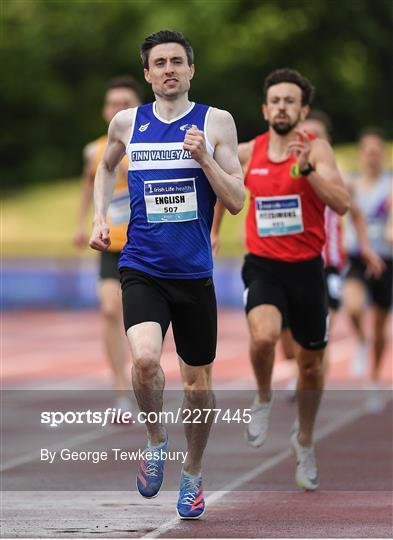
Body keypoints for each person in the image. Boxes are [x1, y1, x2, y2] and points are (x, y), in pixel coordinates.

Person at [89, 30, 244, 519]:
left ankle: (193, 474)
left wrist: (202, 159)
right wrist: (98, 217)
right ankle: (156, 439)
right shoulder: (127, 122)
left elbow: (237, 200)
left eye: (178, 61)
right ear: (148, 74)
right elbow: (104, 168)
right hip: (142, 267)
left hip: (194, 272)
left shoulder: (215, 122)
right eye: (160, 63)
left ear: (191, 70)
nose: (169, 69)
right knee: (145, 362)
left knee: (198, 387)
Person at [237, 68, 350, 491]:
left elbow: (341, 203)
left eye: (290, 101)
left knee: (310, 364)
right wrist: (212, 230)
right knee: (264, 336)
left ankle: (304, 440)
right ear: (265, 109)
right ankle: (264, 396)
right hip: (263, 264)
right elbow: (222, 188)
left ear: (302, 110)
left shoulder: (316, 150)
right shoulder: (250, 152)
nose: (282, 107)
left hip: (307, 269)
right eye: (275, 100)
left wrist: (309, 172)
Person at [281, 111, 384, 397]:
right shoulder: (287, 171)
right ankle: (301, 369)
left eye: (317, 136)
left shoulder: (338, 176)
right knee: (289, 346)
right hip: (290, 263)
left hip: (328, 265)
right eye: (306, 134)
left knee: (319, 332)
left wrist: (364, 246)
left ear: (326, 141)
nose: (310, 140)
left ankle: (311, 391)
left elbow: (357, 214)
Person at [73, 77, 143, 411]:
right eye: (113, 103)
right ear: (105, 110)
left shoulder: (150, 144)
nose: (119, 108)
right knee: (109, 310)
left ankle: (145, 376)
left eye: (126, 103)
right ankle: (119, 389)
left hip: (146, 245)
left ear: (138, 108)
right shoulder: (94, 150)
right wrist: (81, 222)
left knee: (142, 318)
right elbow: (89, 186)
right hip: (110, 244)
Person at [343, 129, 392, 410]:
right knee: (353, 307)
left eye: (377, 152)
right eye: (368, 152)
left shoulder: (389, 184)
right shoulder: (352, 184)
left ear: (382, 155)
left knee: (381, 326)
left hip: (385, 260)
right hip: (358, 257)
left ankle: (373, 379)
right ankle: (361, 341)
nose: (372, 157)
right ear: (361, 155)